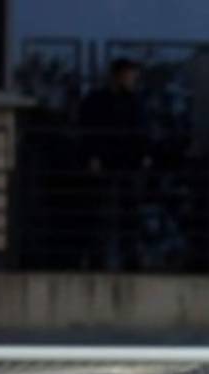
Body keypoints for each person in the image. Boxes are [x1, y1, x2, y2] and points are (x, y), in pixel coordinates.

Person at [78, 57, 148, 270]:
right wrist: (93, 156)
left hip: (129, 164)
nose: (132, 79)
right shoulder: (98, 100)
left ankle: (130, 259)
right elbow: (88, 130)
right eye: (129, 75)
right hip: (107, 164)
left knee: (129, 214)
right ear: (118, 76)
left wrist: (143, 155)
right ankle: (98, 259)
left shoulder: (135, 101)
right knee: (102, 213)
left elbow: (141, 131)